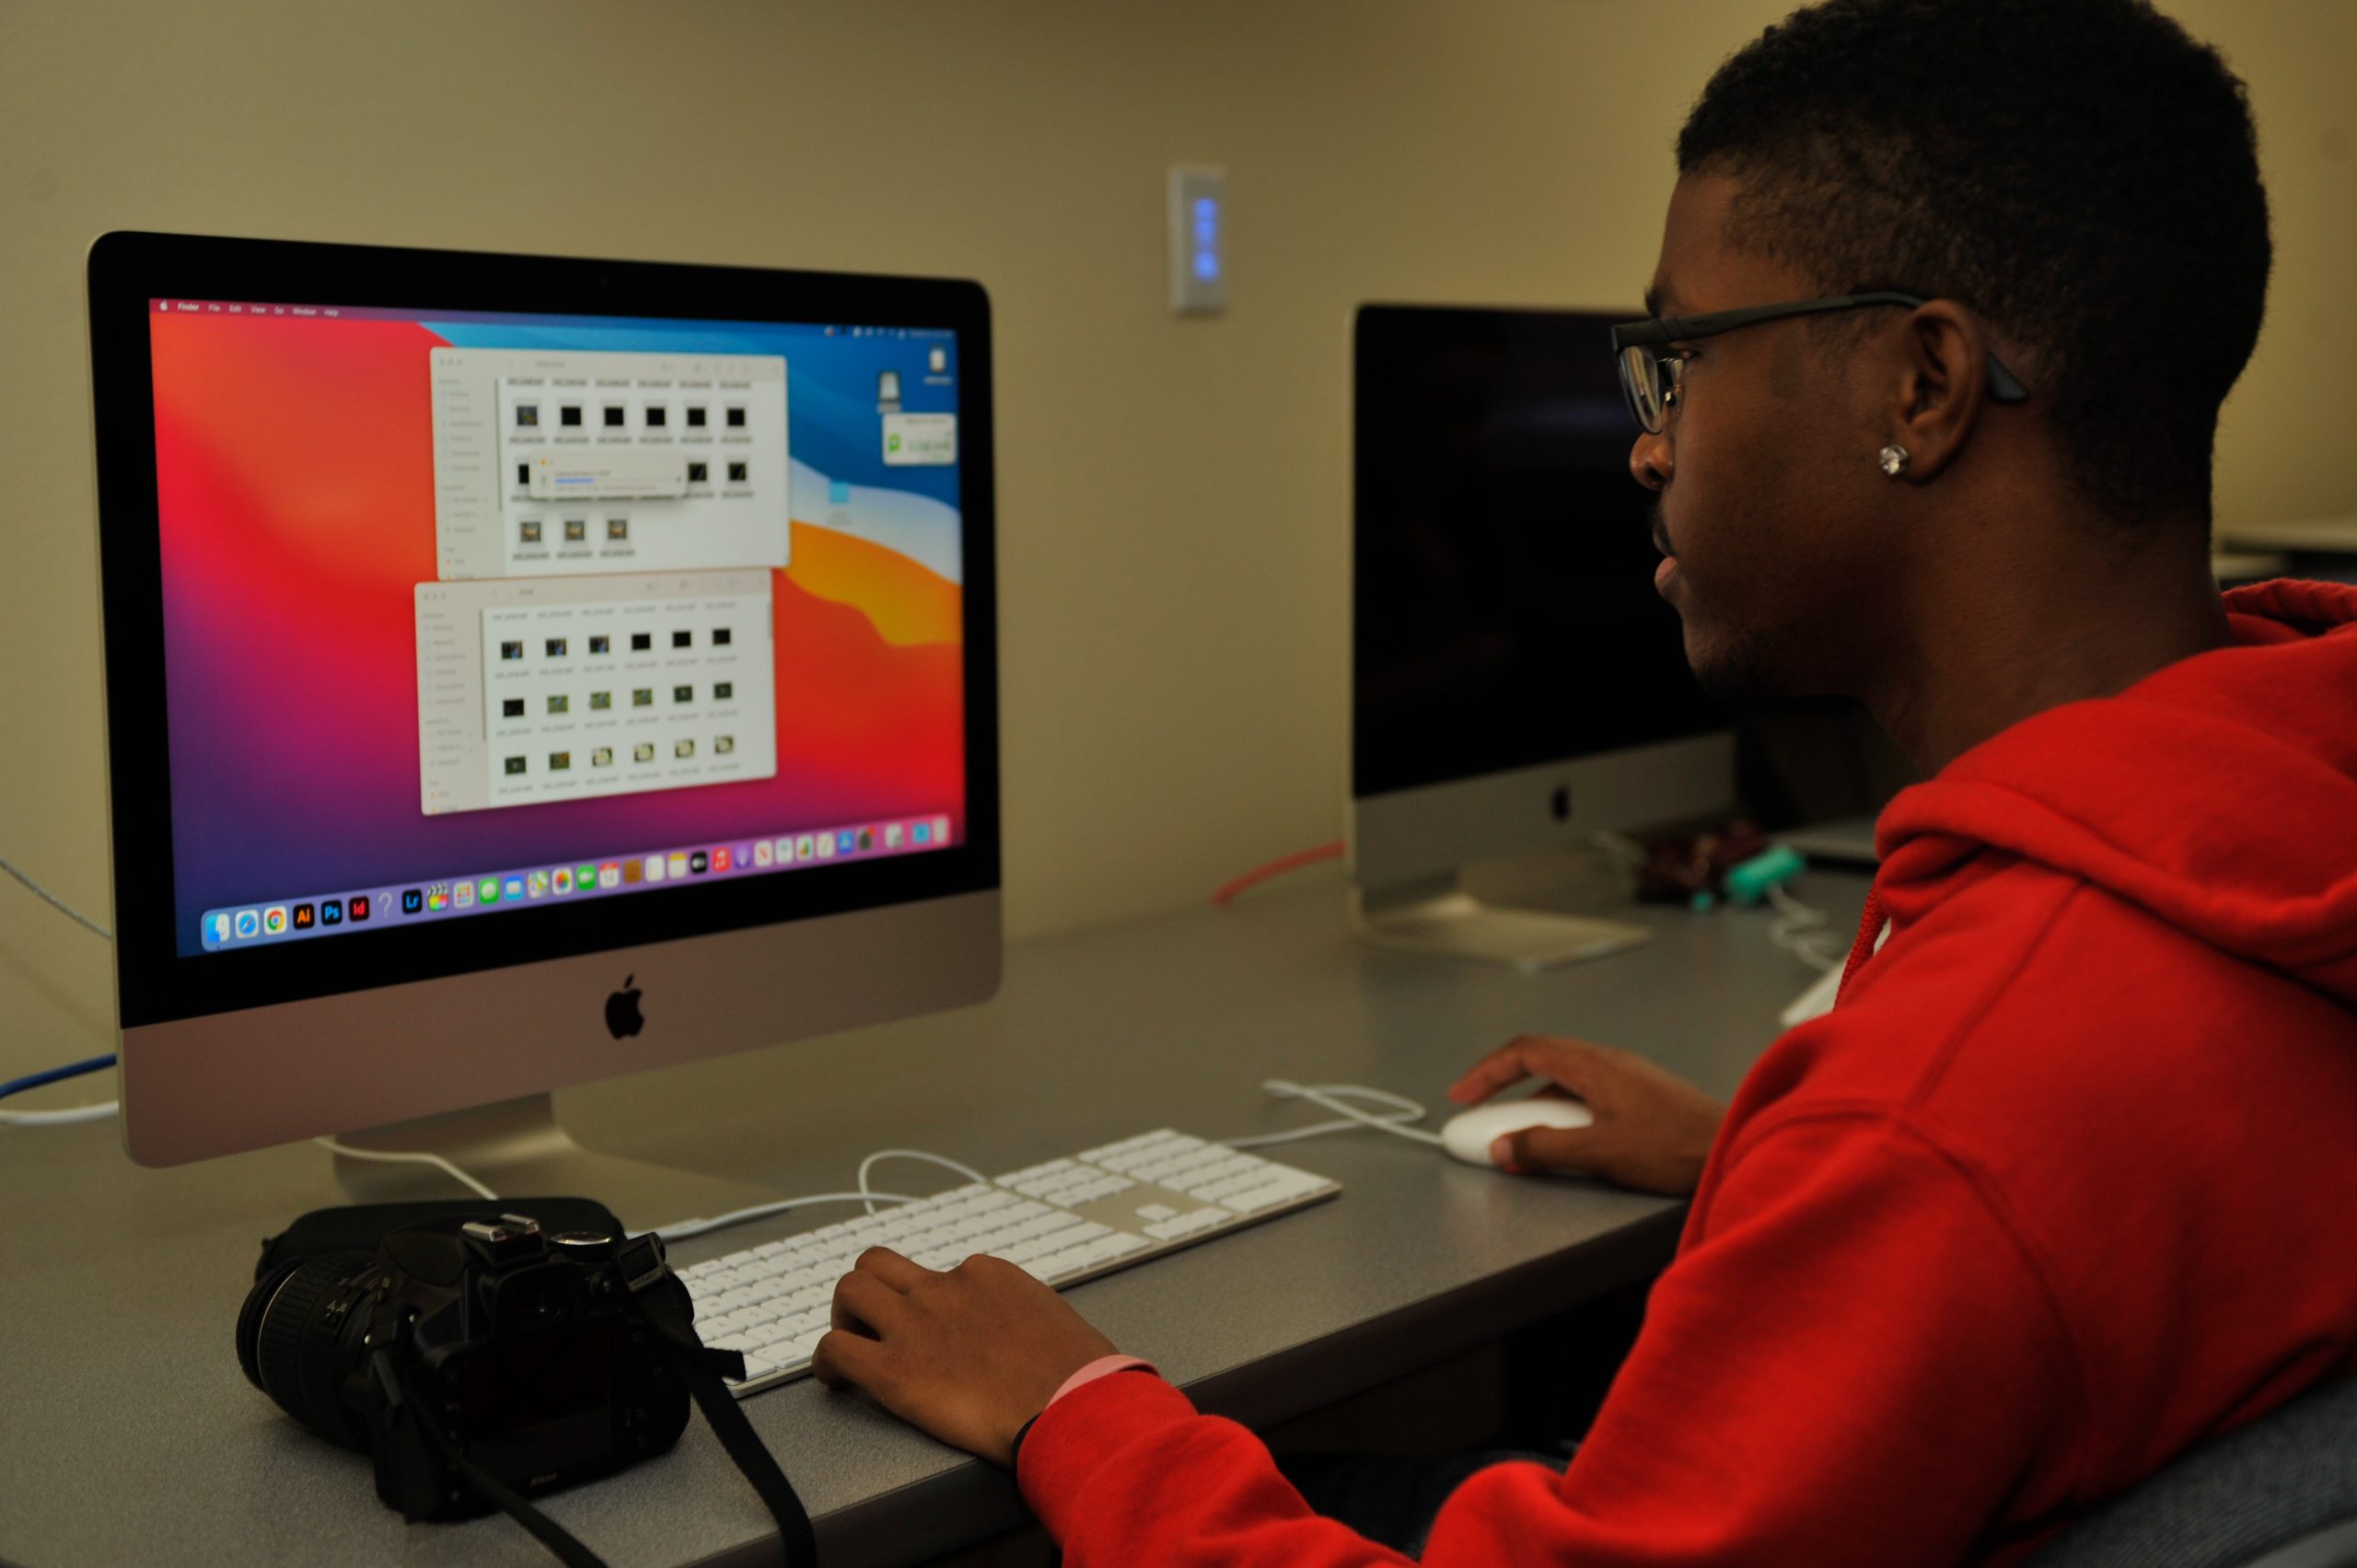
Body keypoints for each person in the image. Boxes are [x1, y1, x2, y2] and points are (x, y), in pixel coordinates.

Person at [810, 0, 2357, 1561]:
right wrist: (1772, 1170)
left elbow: (1976, 1147)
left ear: (1922, 387)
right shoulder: (2281, 815)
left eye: (1679, 361)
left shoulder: (1952, 1115)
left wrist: (1074, 1402)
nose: (1647, 447)